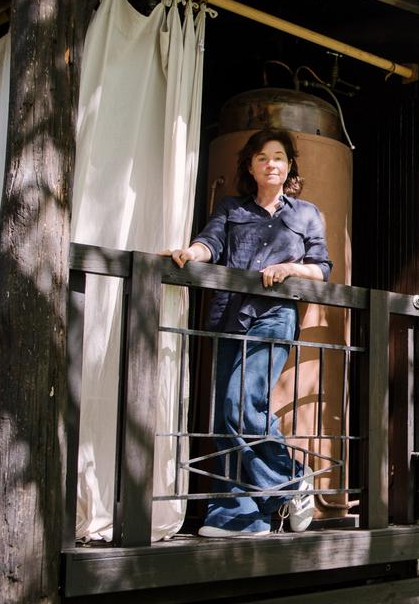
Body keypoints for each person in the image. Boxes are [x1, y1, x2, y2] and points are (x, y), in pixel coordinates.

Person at [163, 128, 331, 537]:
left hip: (274, 314)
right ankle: (239, 515)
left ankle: (287, 479)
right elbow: (210, 243)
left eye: (278, 157)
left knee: (242, 403)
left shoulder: (306, 213)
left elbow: (321, 268)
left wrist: (291, 268)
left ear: (289, 165)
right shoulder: (231, 208)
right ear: (251, 167)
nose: (270, 163)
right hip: (227, 316)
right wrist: (190, 253)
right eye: (262, 158)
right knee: (229, 414)